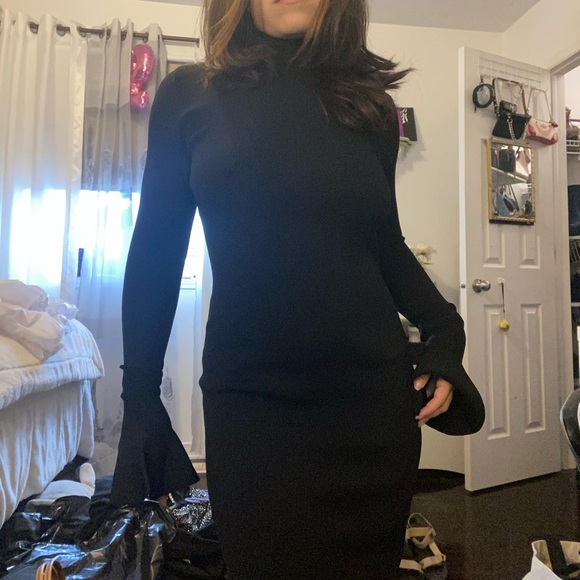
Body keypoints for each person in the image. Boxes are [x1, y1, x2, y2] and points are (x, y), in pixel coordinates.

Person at [111, 0, 485, 577]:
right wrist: (139, 397)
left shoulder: (371, 108)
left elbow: (384, 244)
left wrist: (446, 330)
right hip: (253, 406)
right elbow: (157, 249)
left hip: (371, 406)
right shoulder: (190, 95)